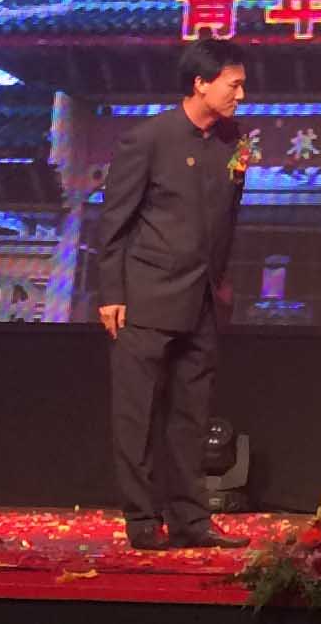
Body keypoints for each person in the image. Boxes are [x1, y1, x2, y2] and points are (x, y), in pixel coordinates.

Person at [95, 37, 252, 551]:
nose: (240, 96)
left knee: (191, 416)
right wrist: (112, 293)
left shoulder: (232, 141)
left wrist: (221, 283)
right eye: (233, 85)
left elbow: (228, 218)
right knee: (137, 415)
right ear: (200, 83)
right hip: (146, 296)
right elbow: (114, 221)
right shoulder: (148, 138)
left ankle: (191, 520)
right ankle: (142, 519)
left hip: (202, 299)